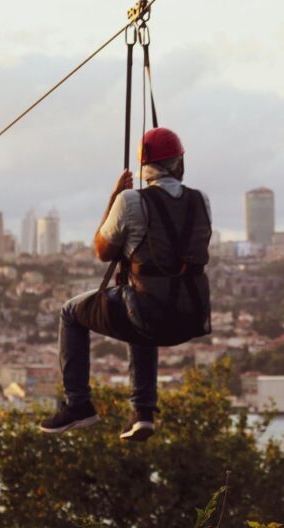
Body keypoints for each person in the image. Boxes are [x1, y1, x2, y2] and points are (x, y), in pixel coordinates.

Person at [39, 127, 212, 442]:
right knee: (142, 302)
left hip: (149, 313)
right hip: (191, 315)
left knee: (70, 312)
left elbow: (102, 251)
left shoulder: (131, 201)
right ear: (179, 163)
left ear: (145, 169)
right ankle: (143, 412)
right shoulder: (202, 201)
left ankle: (78, 404)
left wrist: (114, 197)